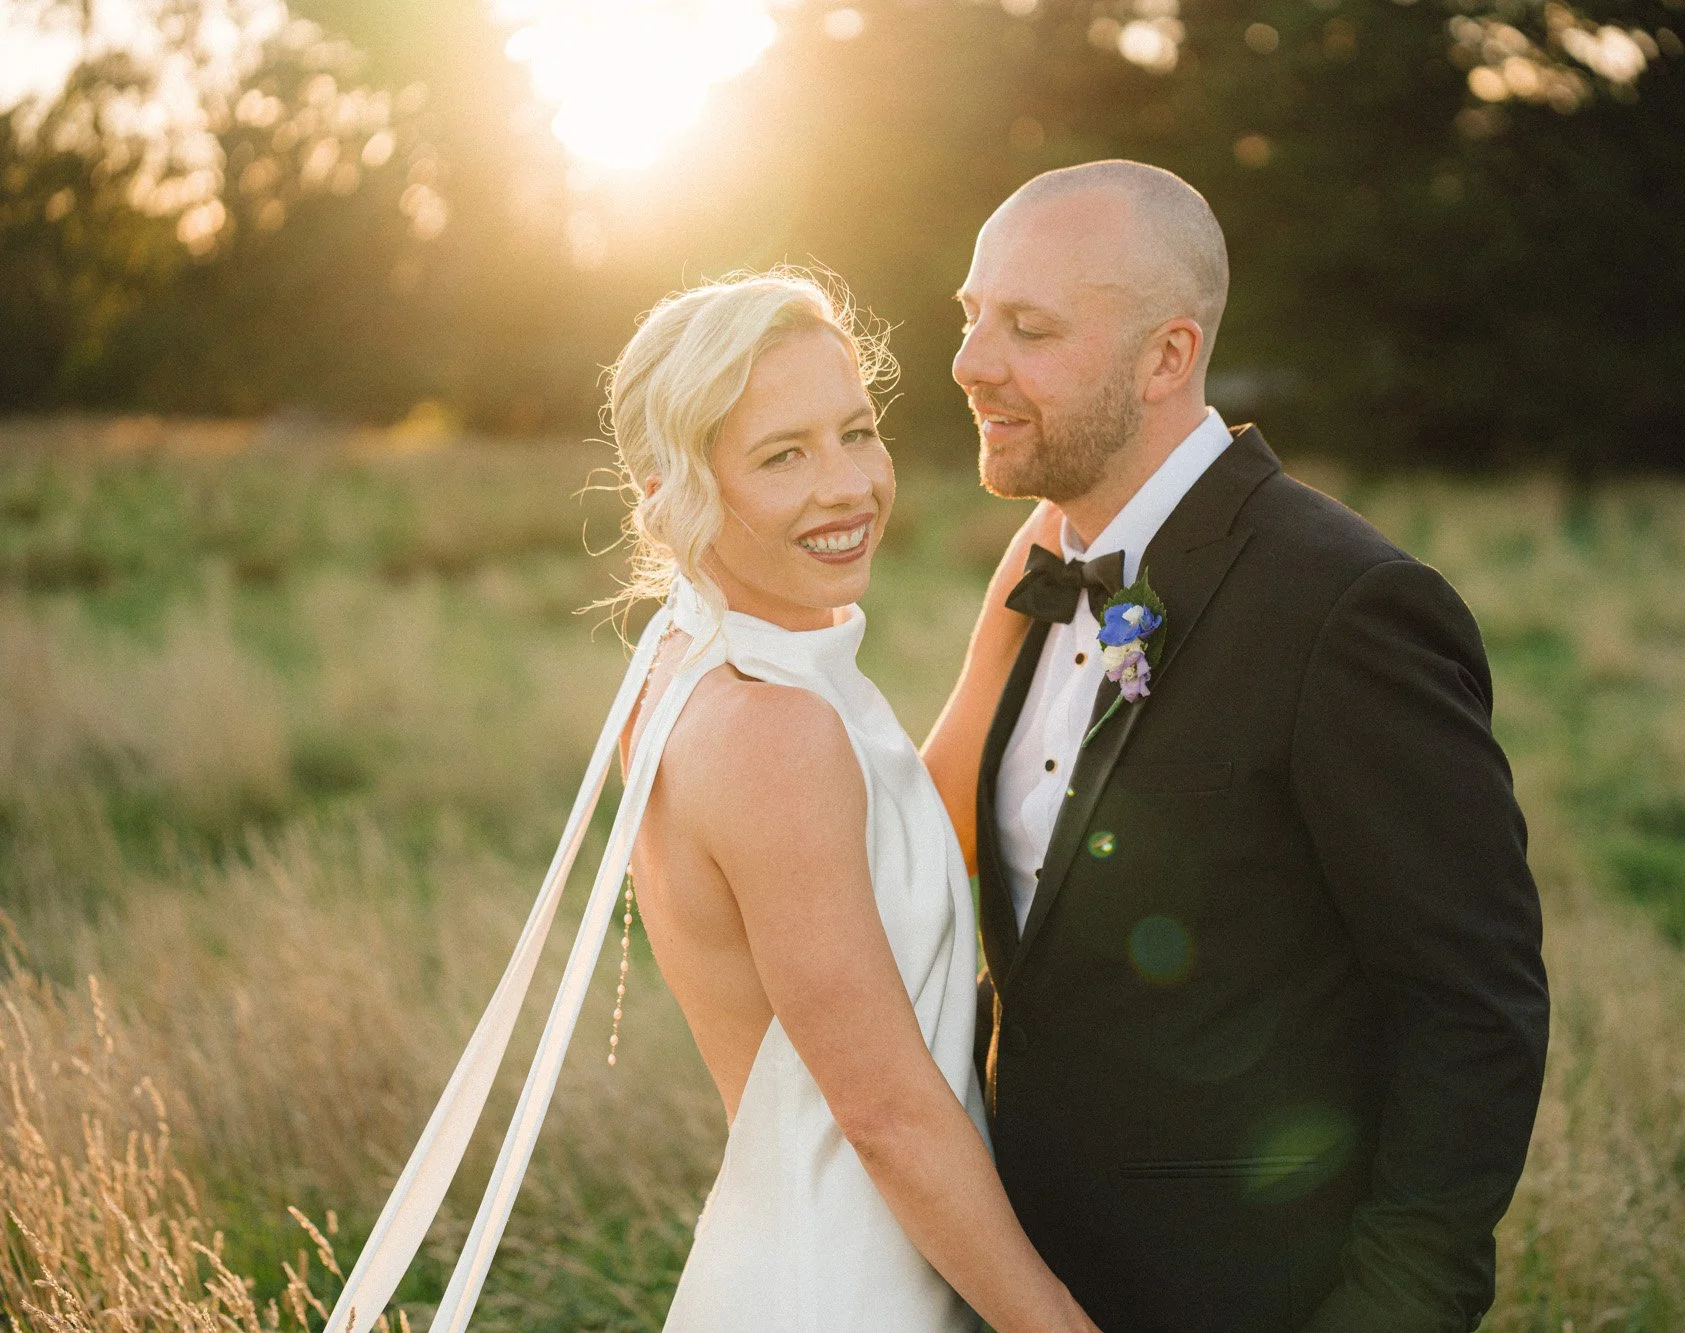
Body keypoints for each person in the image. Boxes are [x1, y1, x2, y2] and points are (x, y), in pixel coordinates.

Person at [318, 271, 1098, 1333]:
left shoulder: (694, 660)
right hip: (851, 1295)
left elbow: (907, 832)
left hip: (808, 1255)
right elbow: (886, 1115)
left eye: (855, 432)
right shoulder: (776, 732)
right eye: (782, 455)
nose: (847, 486)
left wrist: (1032, 570)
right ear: (673, 491)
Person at [927, 160, 1552, 1331]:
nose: (968, 361)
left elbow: (1473, 1011)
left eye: (1027, 327)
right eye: (970, 315)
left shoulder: (1347, 607)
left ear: (1165, 356)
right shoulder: (1042, 571)